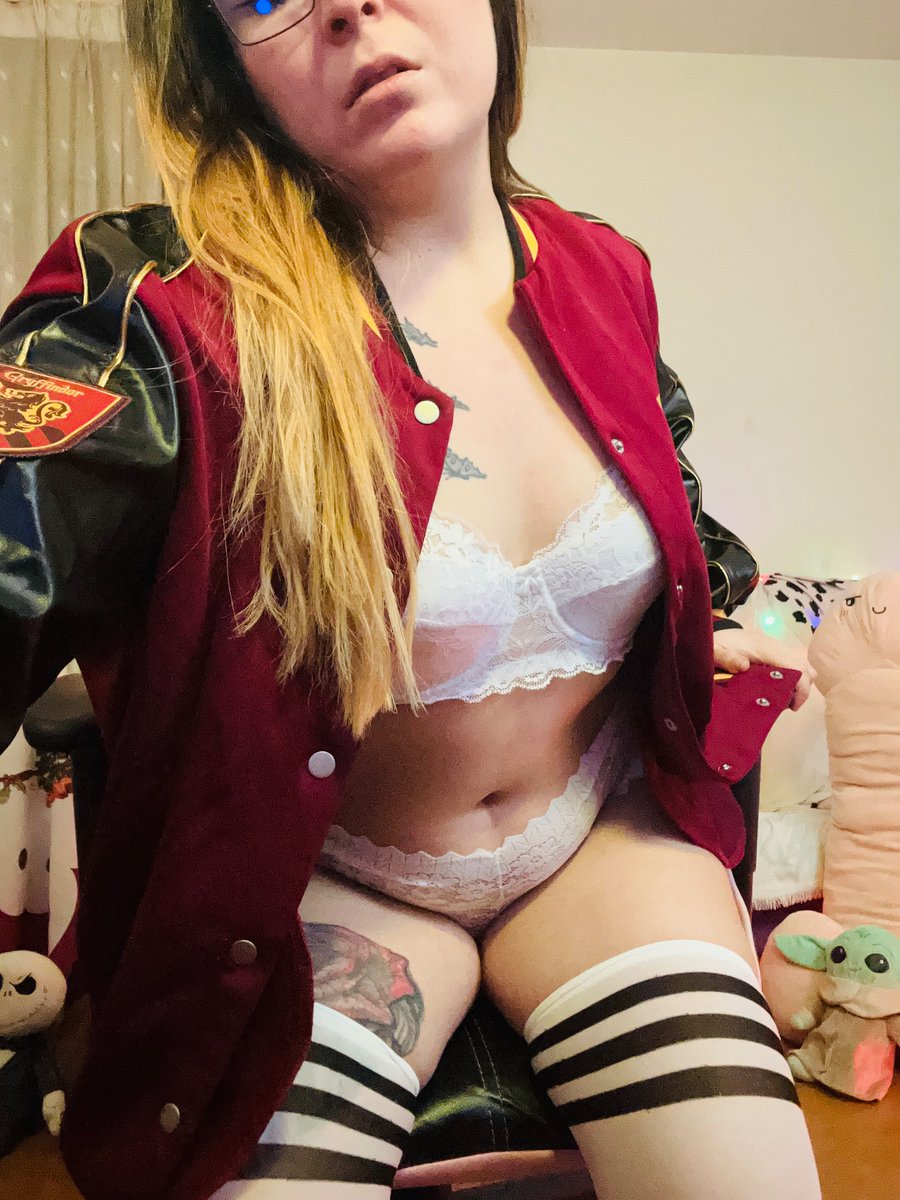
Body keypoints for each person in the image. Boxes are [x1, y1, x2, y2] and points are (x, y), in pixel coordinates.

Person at [0, 1, 823, 1197]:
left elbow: (668, 483)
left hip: (595, 849)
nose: (345, 5)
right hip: (323, 890)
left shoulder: (602, 270)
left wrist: (725, 607)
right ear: (225, 69)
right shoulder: (148, 308)